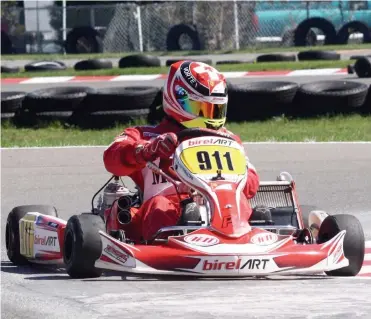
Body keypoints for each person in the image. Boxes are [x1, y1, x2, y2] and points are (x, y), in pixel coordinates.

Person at [103, 60, 260, 243]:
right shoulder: (146, 136)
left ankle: (251, 238)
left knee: (241, 202)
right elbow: (111, 158)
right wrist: (146, 151)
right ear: (178, 98)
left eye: (214, 110)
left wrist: (229, 180)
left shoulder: (228, 140)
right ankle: (165, 243)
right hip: (167, 211)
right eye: (200, 109)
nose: (209, 118)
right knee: (159, 206)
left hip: (221, 206)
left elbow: (251, 184)